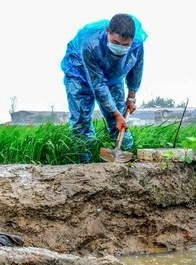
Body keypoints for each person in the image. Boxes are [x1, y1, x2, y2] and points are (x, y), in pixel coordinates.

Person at [61, 13, 147, 162]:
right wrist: (115, 113)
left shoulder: (137, 43)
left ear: (132, 40)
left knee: (120, 122)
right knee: (81, 120)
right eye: (115, 42)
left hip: (113, 75)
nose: (120, 47)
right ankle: (86, 163)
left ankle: (126, 158)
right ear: (108, 32)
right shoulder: (90, 43)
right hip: (79, 72)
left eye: (125, 45)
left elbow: (136, 69)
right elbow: (98, 84)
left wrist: (131, 97)